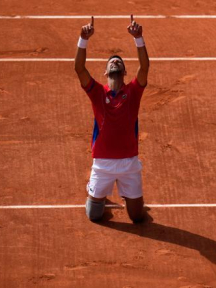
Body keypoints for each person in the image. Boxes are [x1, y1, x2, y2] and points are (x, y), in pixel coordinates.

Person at [74, 15, 149, 223]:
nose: (115, 61)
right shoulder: (97, 92)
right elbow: (79, 69)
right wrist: (83, 39)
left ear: (124, 72)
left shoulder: (133, 92)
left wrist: (138, 39)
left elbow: (144, 68)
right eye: (111, 62)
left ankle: (130, 200)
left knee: (137, 217)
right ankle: (98, 195)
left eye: (119, 61)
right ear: (106, 72)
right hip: (103, 164)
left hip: (129, 163)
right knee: (94, 215)